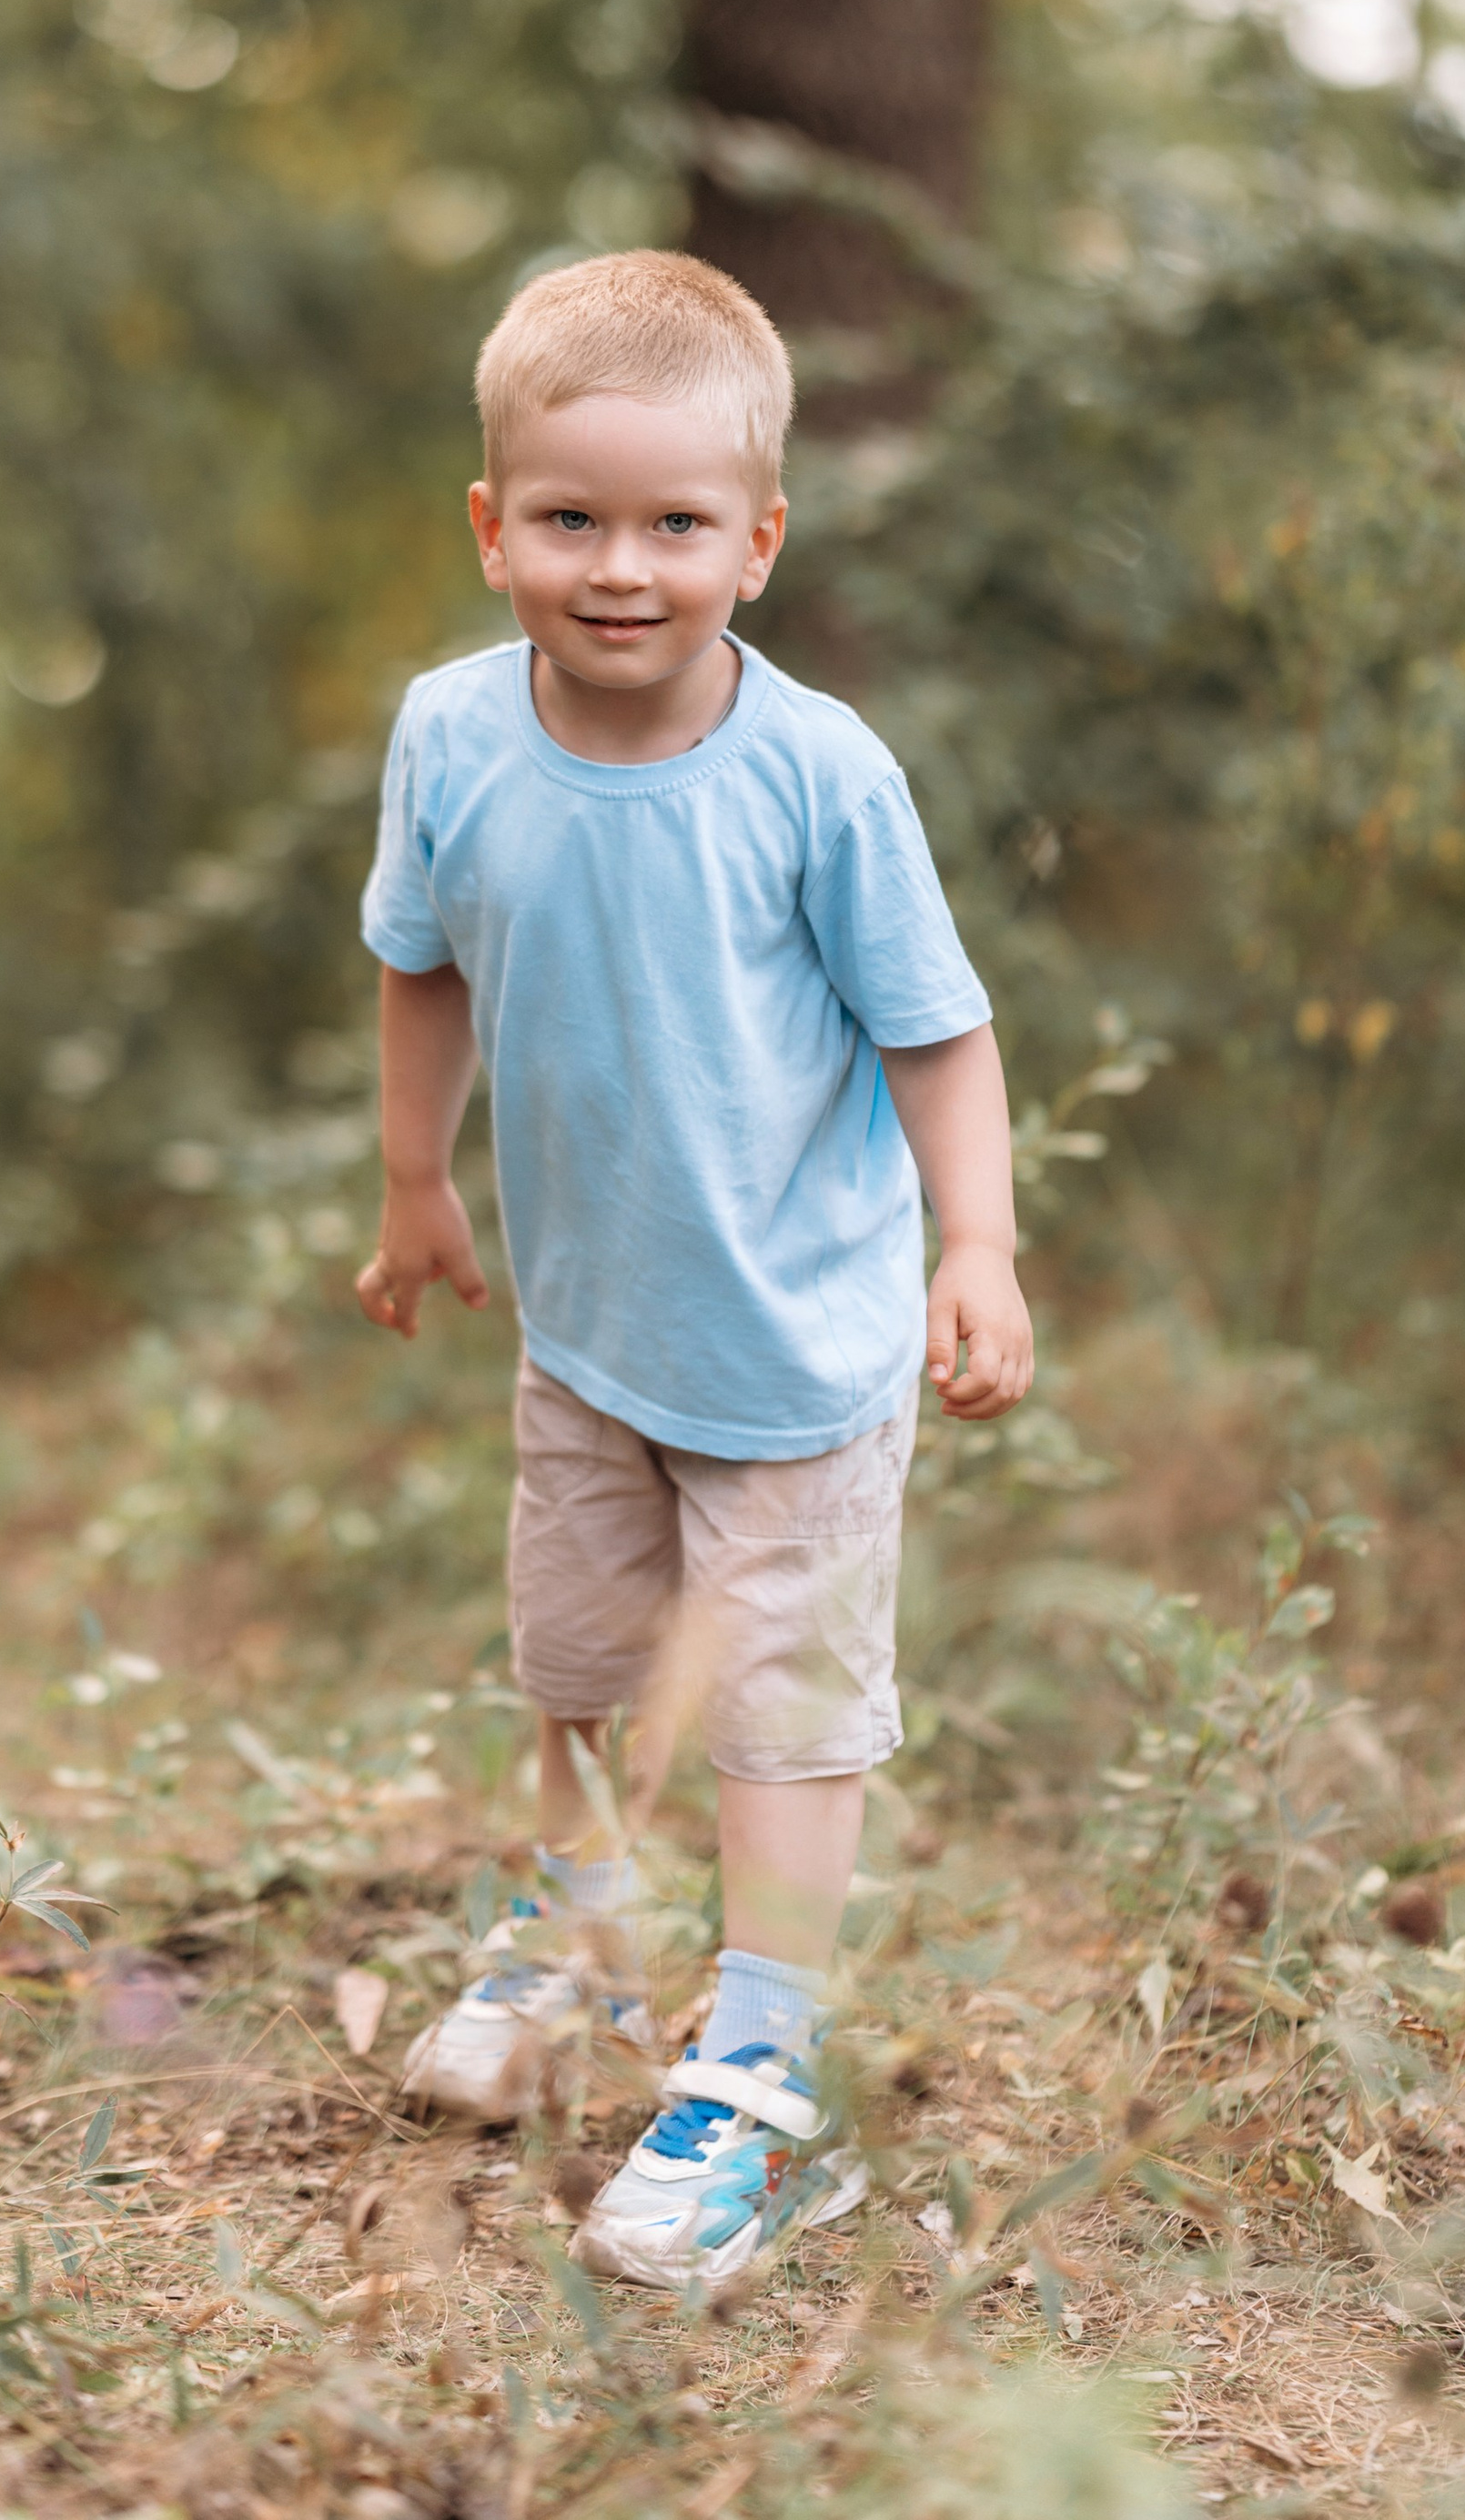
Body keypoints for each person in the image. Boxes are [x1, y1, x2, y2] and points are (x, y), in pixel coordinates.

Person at [354, 248, 1034, 2288]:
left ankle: (756, 2073)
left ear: (759, 537)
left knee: (776, 1725)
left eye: (673, 525)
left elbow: (936, 1031)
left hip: (800, 1355)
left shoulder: (816, 776)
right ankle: (568, 1923)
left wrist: (977, 1243)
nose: (620, 568)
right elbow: (417, 967)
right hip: (589, 1337)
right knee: (570, 1665)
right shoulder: (450, 737)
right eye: (570, 519)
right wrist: (413, 1184)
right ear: (492, 532)